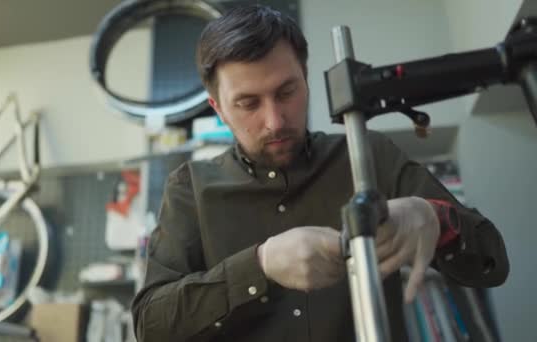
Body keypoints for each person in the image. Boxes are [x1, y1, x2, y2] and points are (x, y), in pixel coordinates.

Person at [132, 5, 509, 341]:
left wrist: (435, 218)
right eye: (248, 103)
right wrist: (259, 266)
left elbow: (492, 263)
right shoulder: (189, 189)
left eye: (286, 92)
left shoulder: (368, 154)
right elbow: (151, 325)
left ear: (306, 77)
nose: (275, 121)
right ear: (219, 109)